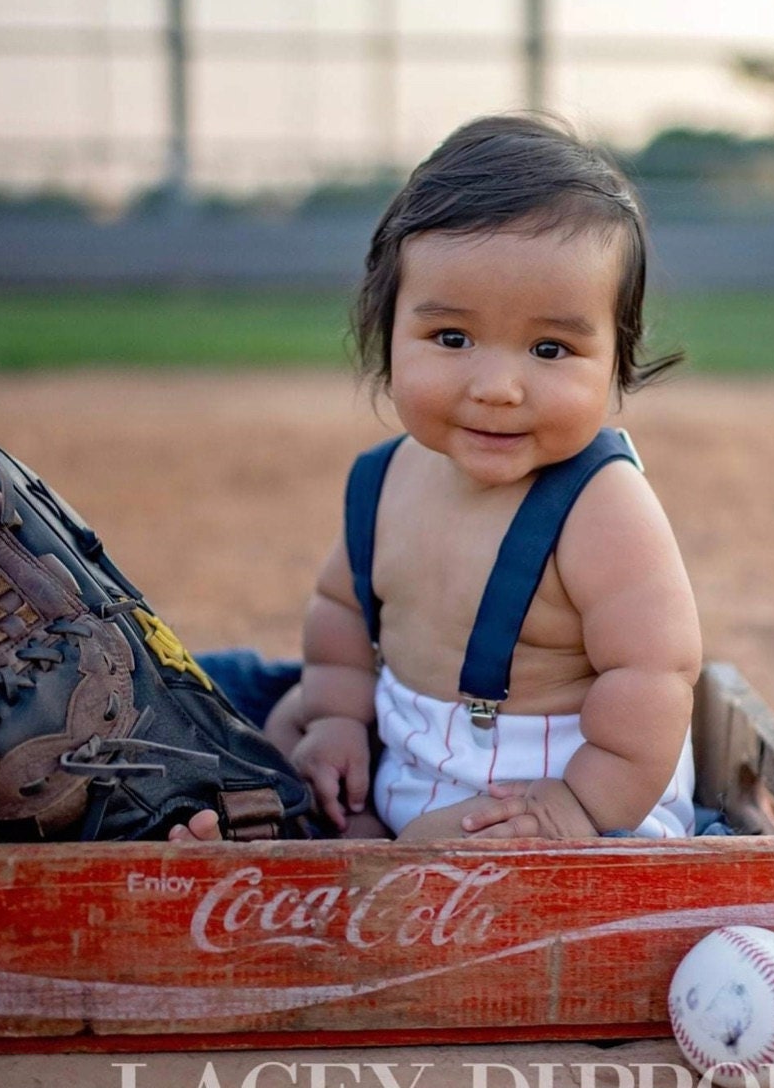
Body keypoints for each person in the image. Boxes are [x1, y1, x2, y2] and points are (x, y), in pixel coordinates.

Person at [171, 114, 731, 844]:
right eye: (452, 339)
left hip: (559, 794)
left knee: (418, 863)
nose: (497, 385)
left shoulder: (600, 506)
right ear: (387, 333)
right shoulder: (386, 479)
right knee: (280, 728)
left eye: (550, 348)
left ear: (616, 362)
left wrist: (579, 807)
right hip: (408, 758)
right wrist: (339, 716)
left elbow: (654, 674)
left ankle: (348, 864)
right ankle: (291, 829)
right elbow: (339, 608)